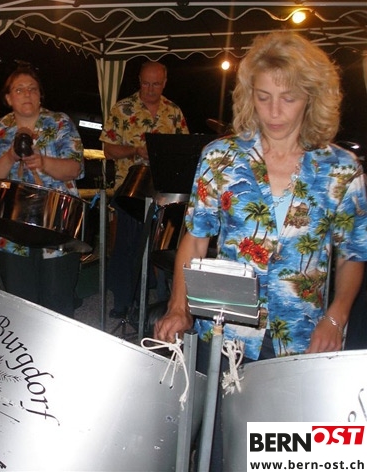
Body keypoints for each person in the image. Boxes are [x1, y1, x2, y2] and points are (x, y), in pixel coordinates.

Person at [153, 31, 367, 469]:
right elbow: (195, 237)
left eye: (288, 99)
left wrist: (336, 317)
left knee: (280, 453)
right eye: (264, 97)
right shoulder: (220, 157)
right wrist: (179, 307)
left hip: (301, 335)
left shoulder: (341, 169)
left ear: (311, 98)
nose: (274, 112)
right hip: (226, 332)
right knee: (220, 448)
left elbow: (353, 253)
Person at [0, 64, 85, 318]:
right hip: (12, 230)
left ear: (40, 95)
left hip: (57, 225)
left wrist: (44, 163)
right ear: (8, 98)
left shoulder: (59, 122)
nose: (27, 94)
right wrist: (10, 156)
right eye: (19, 89)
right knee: (20, 307)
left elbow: (75, 168)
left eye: (32, 89)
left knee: (57, 304)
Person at [99, 60, 189, 319]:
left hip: (163, 192)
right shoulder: (122, 109)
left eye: (156, 84)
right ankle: (123, 300)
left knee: (161, 247)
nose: (150, 89)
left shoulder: (173, 112)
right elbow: (108, 149)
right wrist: (135, 150)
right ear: (139, 81)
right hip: (131, 192)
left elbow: (184, 151)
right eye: (146, 83)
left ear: (165, 83)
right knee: (127, 248)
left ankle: (160, 299)